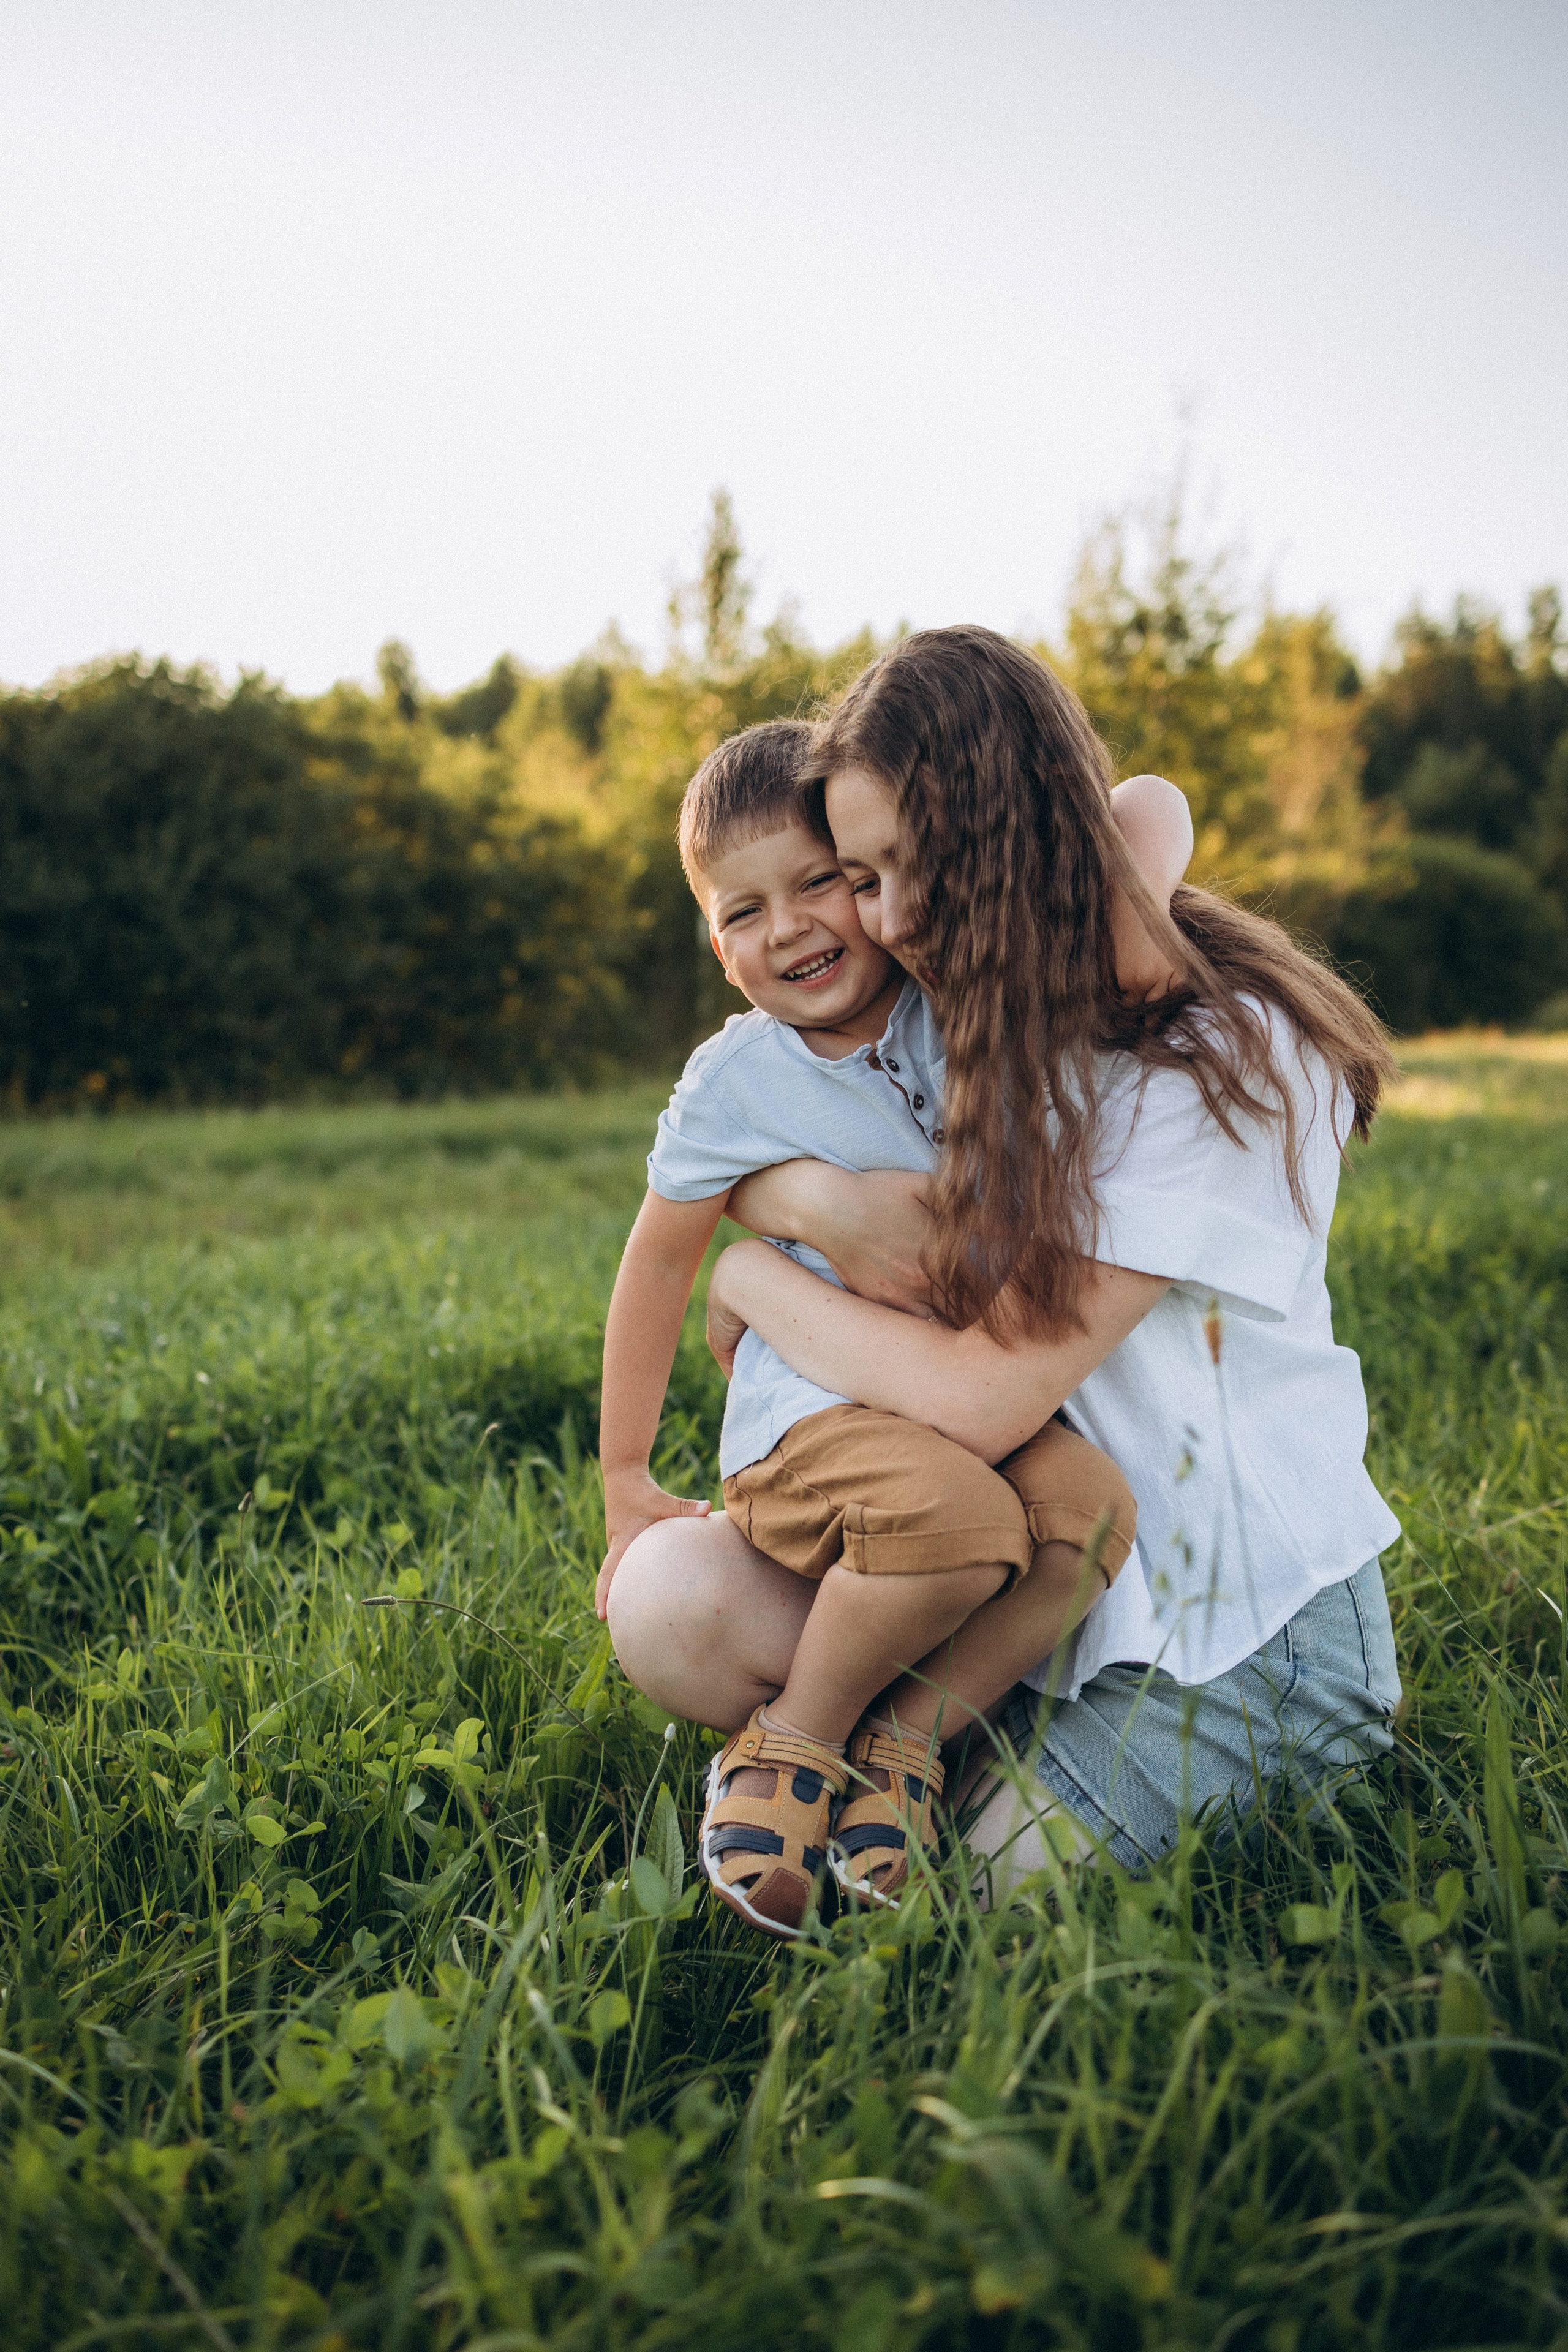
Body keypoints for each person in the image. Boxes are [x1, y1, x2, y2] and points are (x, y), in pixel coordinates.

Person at [608, 625, 1403, 1899]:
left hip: (1228, 1636)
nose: (884, 917)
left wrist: (755, 1280)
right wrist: (798, 1195)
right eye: (861, 876)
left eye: (901, 868)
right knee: (669, 1602)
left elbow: (982, 1397)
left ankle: (907, 1748)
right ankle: (893, 1738)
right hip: (1033, 1586)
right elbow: (1140, 812)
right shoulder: (990, 1009)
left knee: (970, 1900)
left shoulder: (1216, 1061)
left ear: (1005, 836)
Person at [597, 718, 1192, 1936]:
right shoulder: (734, 1082)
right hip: (814, 1419)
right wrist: (621, 1476)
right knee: (957, 1526)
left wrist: (1129, 922)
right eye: (744, 910)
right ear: (716, 946)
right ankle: (795, 1738)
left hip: (954, 1398)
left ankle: (907, 1743)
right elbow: (657, 1261)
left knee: (1087, 1516)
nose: (788, 928)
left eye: (820, 882)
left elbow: (1143, 806)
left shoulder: (951, 999)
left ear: (882, 884)